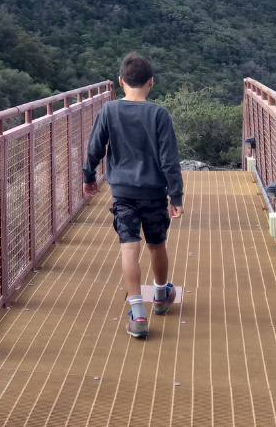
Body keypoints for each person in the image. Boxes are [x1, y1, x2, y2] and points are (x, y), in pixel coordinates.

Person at [82, 52, 184, 339]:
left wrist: (89, 177)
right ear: (151, 82)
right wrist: (175, 197)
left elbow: (95, 149)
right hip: (153, 192)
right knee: (156, 244)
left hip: (122, 193)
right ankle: (162, 296)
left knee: (129, 246)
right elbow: (169, 160)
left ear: (119, 82)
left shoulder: (109, 110)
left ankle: (137, 312)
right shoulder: (159, 114)